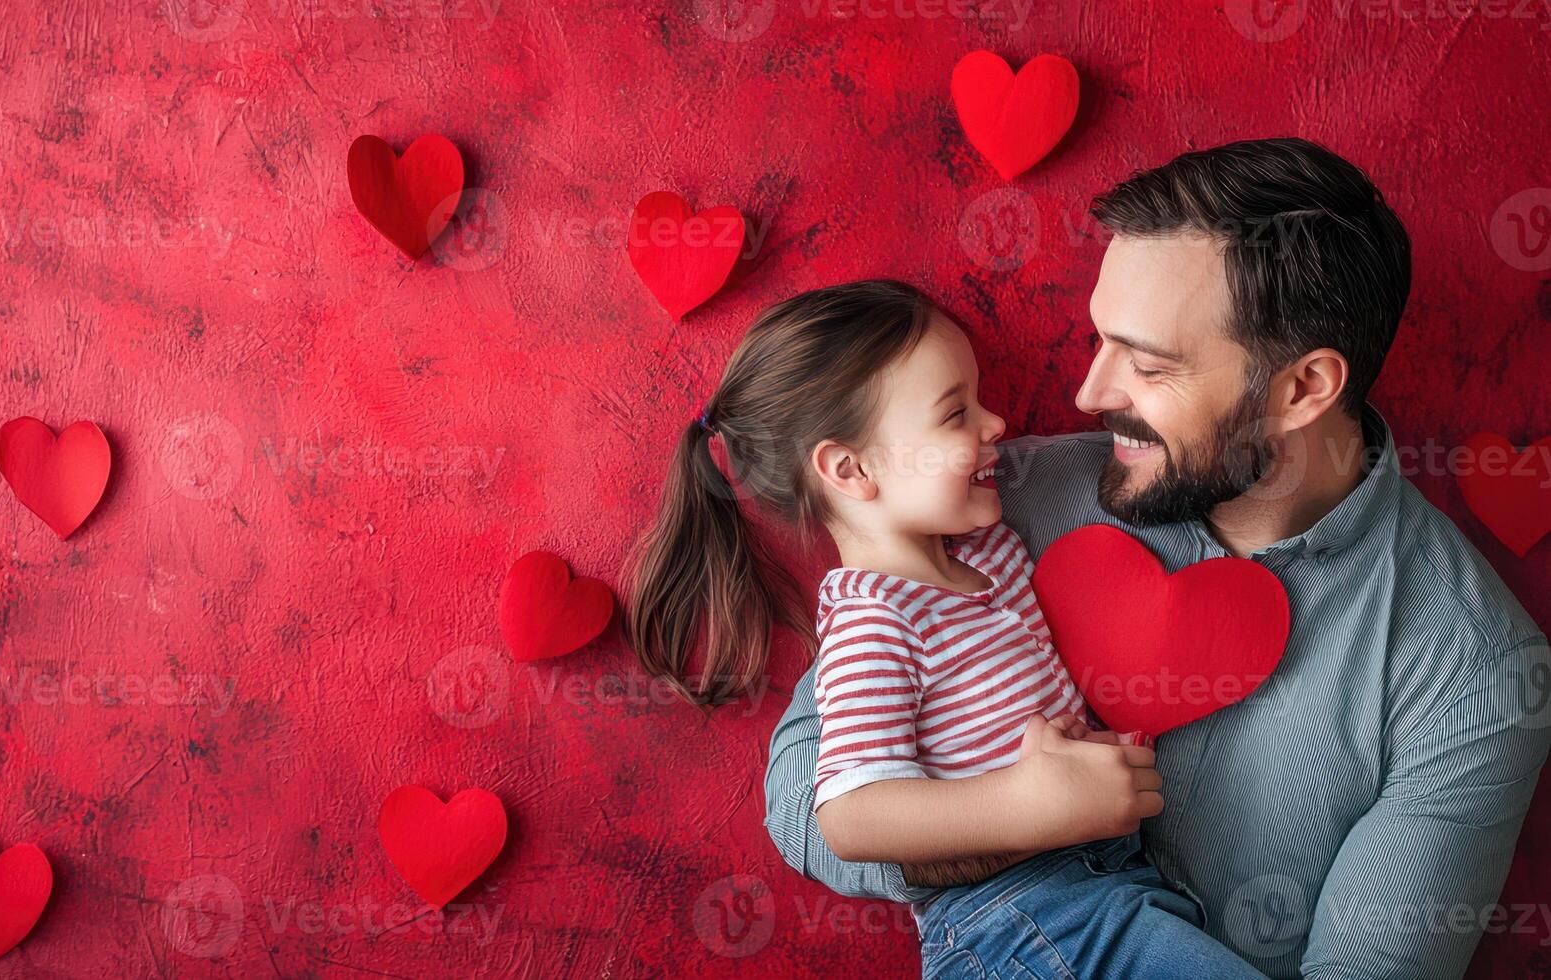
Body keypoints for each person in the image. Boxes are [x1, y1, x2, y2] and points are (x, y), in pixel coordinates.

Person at [761, 138, 1551, 978]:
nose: (1089, 393)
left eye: (1145, 363)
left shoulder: (1479, 674)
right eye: (1098, 339)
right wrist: (1023, 821)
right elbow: (801, 800)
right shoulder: (1000, 500)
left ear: (1301, 389)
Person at [624, 278, 1267, 977]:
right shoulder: (874, 622)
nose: (994, 424)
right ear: (850, 469)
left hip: (1105, 889)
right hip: (1014, 921)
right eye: (954, 413)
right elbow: (850, 816)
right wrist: (1027, 806)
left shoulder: (991, 553)